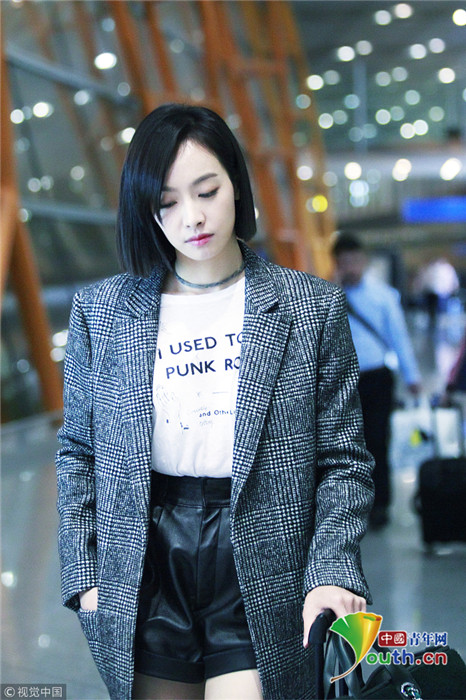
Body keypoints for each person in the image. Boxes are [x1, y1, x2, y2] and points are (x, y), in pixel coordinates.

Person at [56, 104, 374, 700]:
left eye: (207, 191)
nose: (193, 217)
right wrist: (85, 575)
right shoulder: (102, 313)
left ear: (237, 185)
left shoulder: (310, 307)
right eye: (167, 203)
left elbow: (343, 461)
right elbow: (78, 450)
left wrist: (332, 568)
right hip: (145, 558)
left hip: (265, 557)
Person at [332, 232, 421, 529]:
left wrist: (412, 376)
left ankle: (381, 504)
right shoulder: (329, 295)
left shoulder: (383, 296)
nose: (350, 267)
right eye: (343, 262)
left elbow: (399, 337)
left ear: (364, 261)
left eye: (354, 261)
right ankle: (353, 504)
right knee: (346, 446)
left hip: (377, 378)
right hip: (343, 380)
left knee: (378, 441)